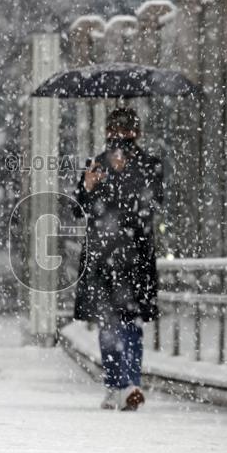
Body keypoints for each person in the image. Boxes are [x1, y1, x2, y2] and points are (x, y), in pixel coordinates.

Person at [72, 108, 163, 411]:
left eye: (125, 132)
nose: (120, 138)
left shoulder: (149, 166)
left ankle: (126, 384)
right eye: (115, 131)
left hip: (133, 257)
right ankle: (119, 384)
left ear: (136, 134)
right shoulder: (96, 164)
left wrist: (128, 180)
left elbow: (151, 206)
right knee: (112, 324)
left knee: (126, 323)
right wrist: (88, 187)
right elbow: (78, 208)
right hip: (105, 257)